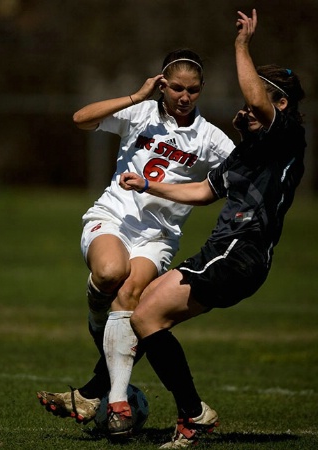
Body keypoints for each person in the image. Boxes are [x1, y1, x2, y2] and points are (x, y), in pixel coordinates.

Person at [119, 9, 306, 448]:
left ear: (279, 104)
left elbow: (259, 101)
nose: (247, 107)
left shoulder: (288, 135)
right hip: (223, 251)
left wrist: (241, 45)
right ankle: (112, 396)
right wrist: (149, 183)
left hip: (242, 253)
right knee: (144, 309)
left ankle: (192, 413)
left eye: (259, 99)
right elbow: (204, 191)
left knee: (146, 314)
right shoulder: (251, 149)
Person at [37, 48, 235, 435]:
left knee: (130, 297)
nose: (184, 96)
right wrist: (136, 95)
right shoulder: (141, 113)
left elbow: (242, 173)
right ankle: (100, 325)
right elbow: (81, 119)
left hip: (158, 237)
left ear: (201, 90)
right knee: (111, 273)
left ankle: (114, 403)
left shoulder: (210, 138)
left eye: (192, 90)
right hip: (112, 218)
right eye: (176, 87)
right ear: (163, 85)